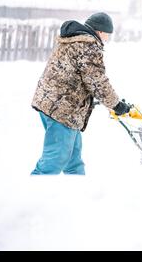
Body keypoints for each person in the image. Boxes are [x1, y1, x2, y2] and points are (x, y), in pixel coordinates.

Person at [31, 12, 130, 175]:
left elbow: (75, 75)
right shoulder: (88, 45)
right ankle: (30, 195)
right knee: (55, 160)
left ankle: (79, 194)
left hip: (51, 102)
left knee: (73, 160)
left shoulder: (73, 40)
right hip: (62, 109)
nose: (107, 39)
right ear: (99, 32)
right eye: (107, 35)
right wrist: (116, 104)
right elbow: (97, 81)